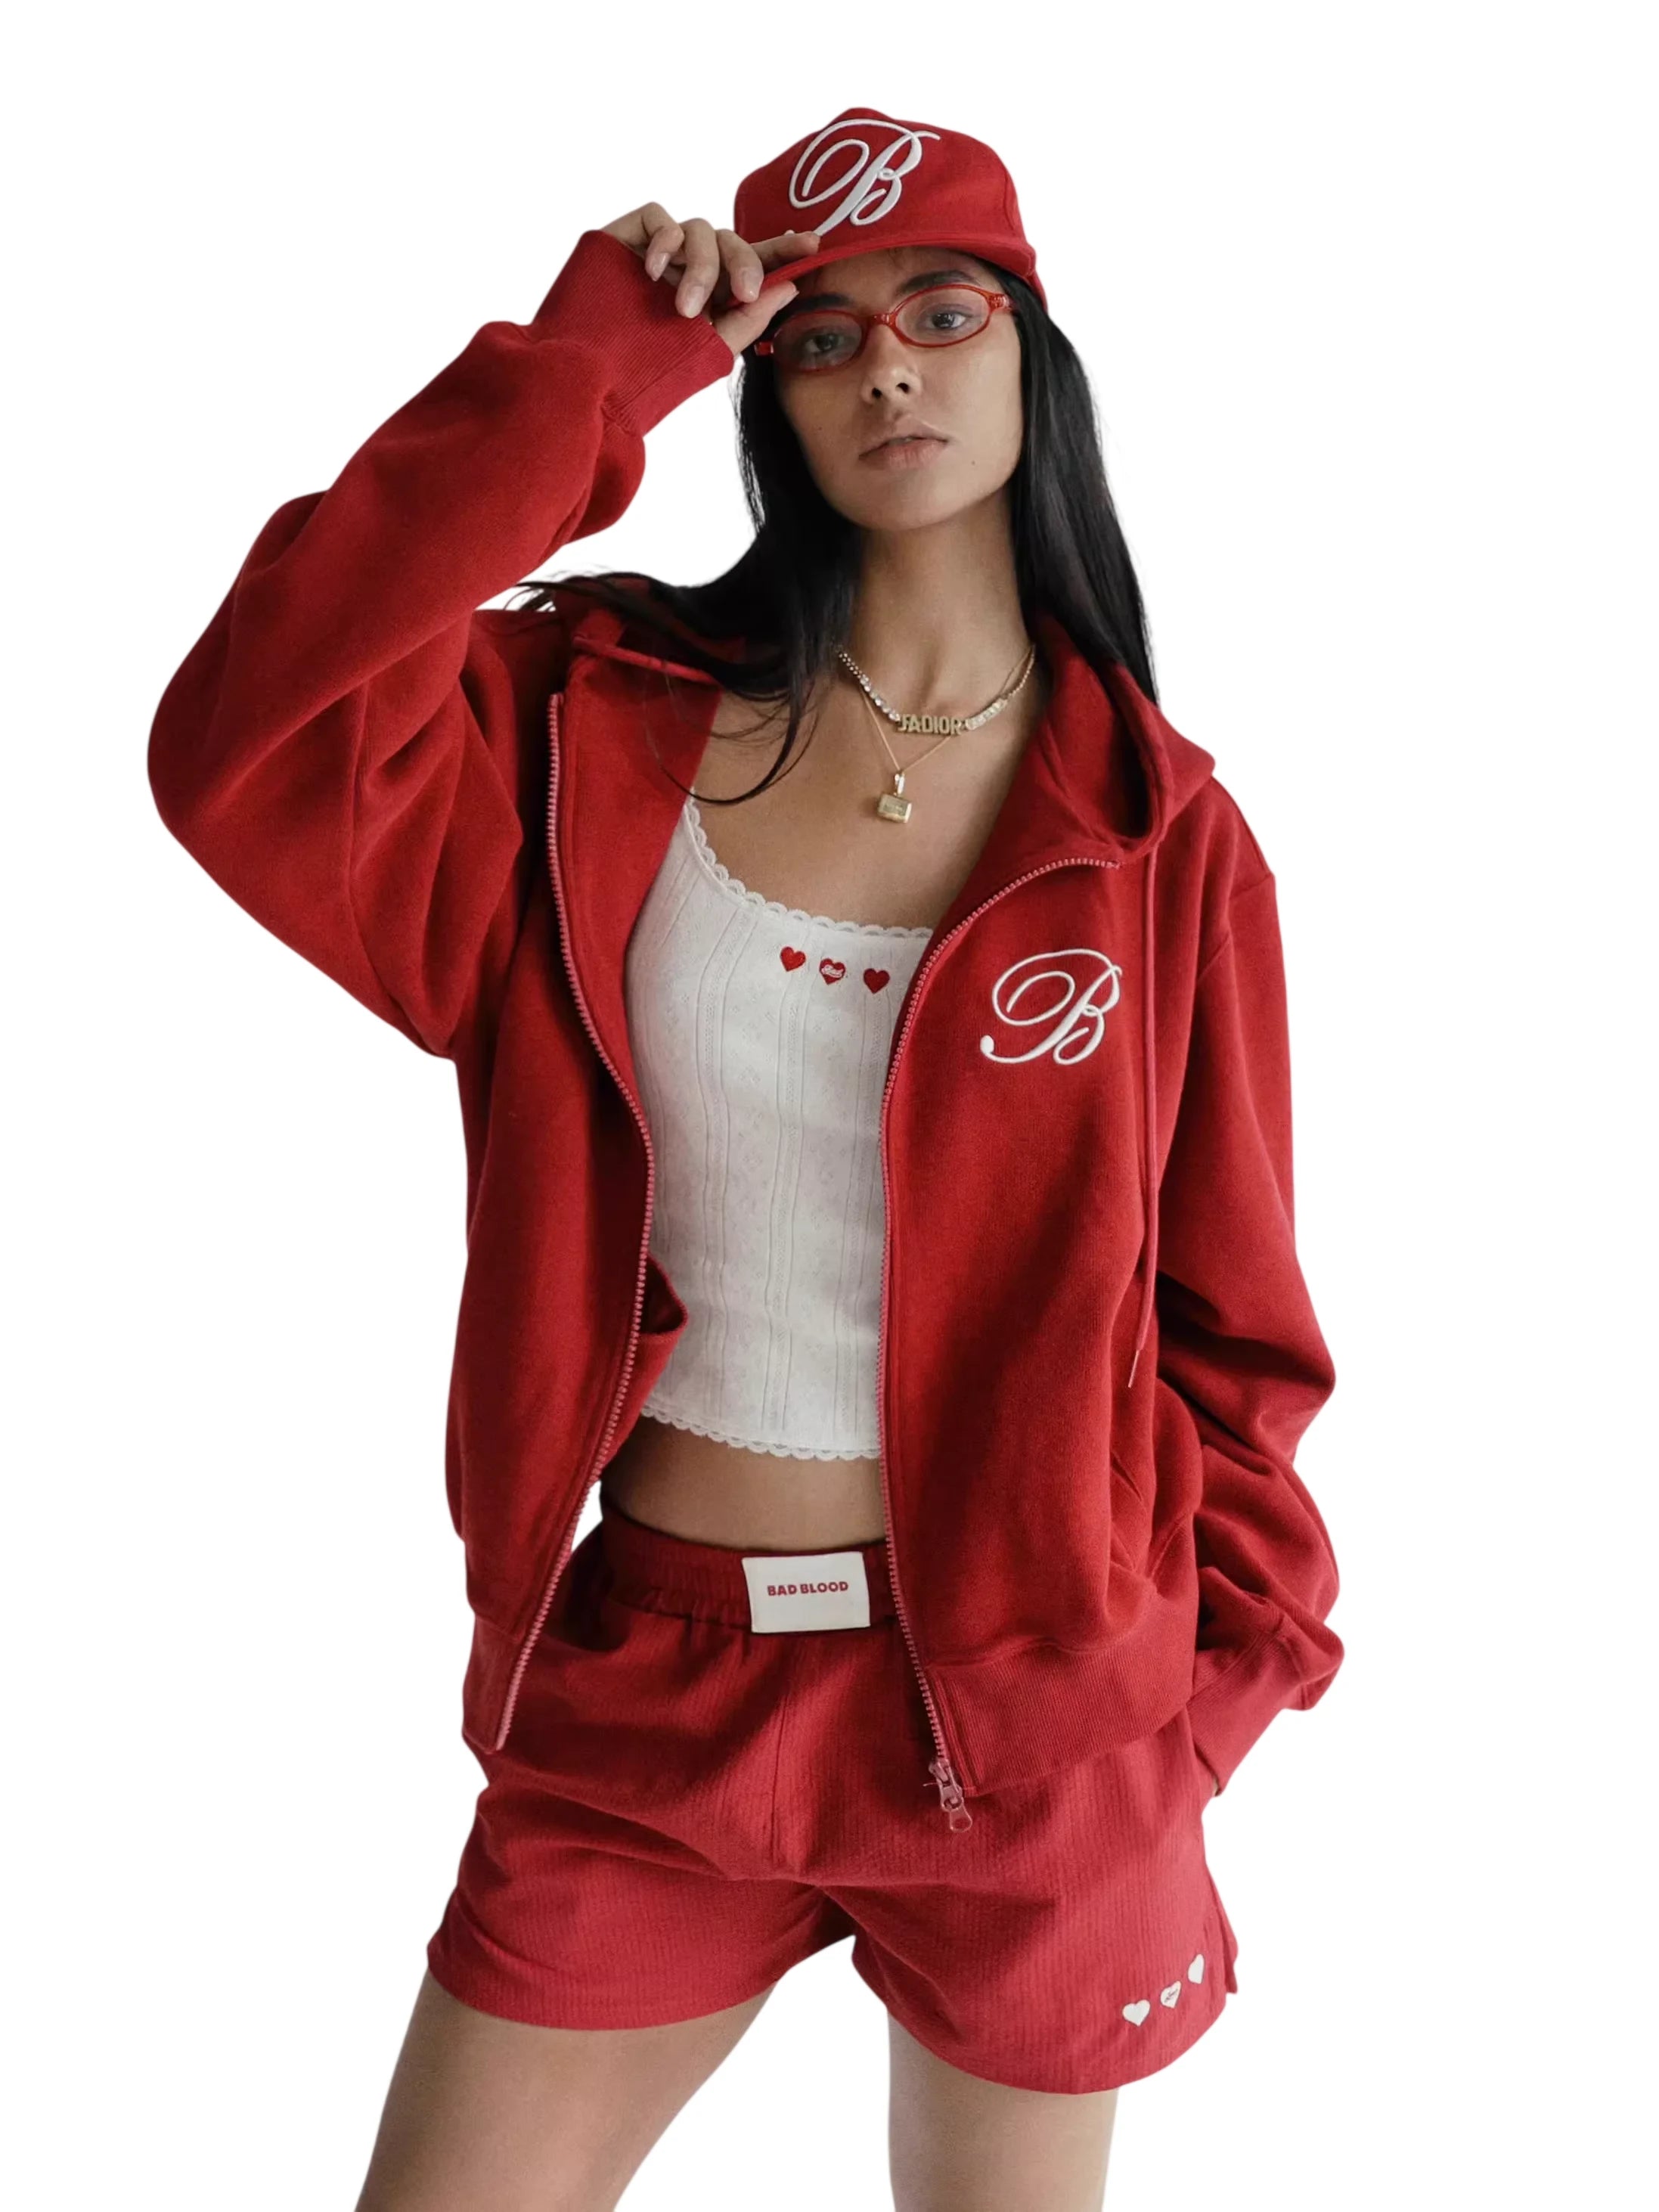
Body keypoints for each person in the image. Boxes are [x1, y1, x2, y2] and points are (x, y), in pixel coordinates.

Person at [149, 104, 1343, 2212]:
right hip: (653, 1674)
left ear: (1031, 356)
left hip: (1037, 1717)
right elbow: (250, 731)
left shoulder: (1160, 836)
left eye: (943, 314)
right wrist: (585, 373)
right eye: (820, 335)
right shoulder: (581, 724)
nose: (886, 369)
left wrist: (1190, 1714)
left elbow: (1236, 1334)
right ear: (763, 394)